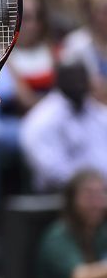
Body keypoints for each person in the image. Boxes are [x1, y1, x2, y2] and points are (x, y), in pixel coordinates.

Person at [21, 61, 107, 193]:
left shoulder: (97, 112)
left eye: (81, 79)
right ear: (58, 82)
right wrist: (89, 186)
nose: (78, 84)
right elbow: (51, 171)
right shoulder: (42, 118)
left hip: (100, 190)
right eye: (72, 79)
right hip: (59, 194)